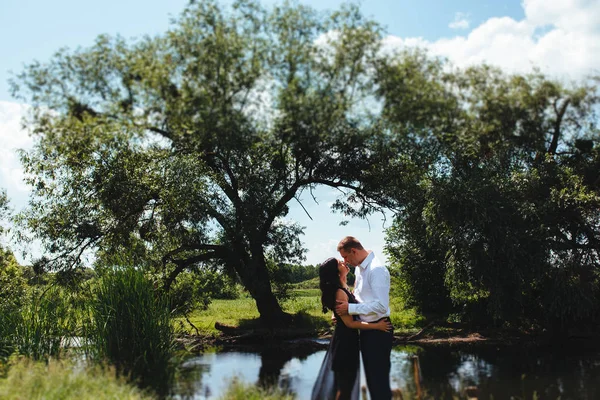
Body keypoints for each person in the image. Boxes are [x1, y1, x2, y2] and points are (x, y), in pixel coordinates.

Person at [312, 257, 392, 400]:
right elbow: (350, 324)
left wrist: (335, 313)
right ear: (336, 271)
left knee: (346, 386)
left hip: (349, 341)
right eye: (339, 263)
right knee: (345, 388)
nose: (344, 262)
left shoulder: (343, 287)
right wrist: (377, 326)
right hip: (344, 343)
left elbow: (345, 304)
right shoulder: (339, 291)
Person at [335, 236, 393, 400]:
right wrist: (341, 313)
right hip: (367, 328)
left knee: (378, 381)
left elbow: (381, 306)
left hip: (379, 330)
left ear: (353, 251)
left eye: (346, 257)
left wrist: (350, 309)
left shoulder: (376, 270)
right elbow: (359, 296)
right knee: (373, 381)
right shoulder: (360, 268)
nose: (345, 261)